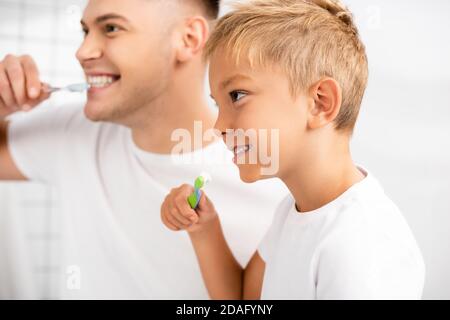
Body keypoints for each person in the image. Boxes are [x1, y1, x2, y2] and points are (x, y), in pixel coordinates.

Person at [0, 0, 287, 299]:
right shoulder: (73, 133)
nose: (82, 51)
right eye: (85, 31)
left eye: (111, 28)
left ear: (188, 39)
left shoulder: (275, 177)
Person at [161, 0, 426, 300]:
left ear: (320, 102)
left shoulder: (363, 243)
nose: (218, 125)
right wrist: (204, 228)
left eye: (237, 95)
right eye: (217, 104)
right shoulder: (293, 211)